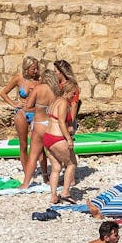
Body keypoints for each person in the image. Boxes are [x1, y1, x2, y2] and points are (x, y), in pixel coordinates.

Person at [0, 58, 52, 183]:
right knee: (23, 144)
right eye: (33, 69)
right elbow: (3, 93)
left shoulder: (41, 79)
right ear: (26, 69)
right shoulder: (19, 79)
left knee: (39, 146)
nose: (36, 71)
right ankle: (27, 174)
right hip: (22, 113)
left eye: (37, 68)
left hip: (36, 112)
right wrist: (14, 104)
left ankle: (45, 176)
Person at [40, 75, 78, 207]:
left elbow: (55, 120)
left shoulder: (55, 101)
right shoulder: (63, 103)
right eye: (73, 93)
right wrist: (68, 138)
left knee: (56, 167)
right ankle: (65, 193)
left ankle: (53, 196)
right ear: (68, 91)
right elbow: (61, 122)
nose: (74, 95)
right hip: (57, 138)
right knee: (72, 163)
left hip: (47, 137)